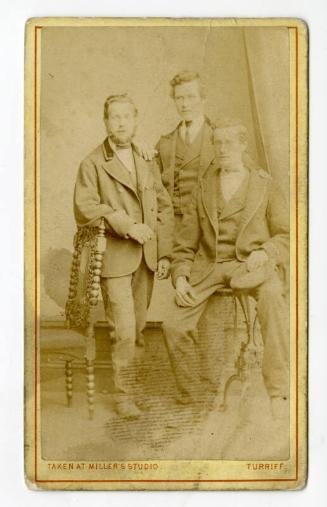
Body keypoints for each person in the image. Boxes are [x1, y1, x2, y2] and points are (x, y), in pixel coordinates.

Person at [162, 118, 289, 417]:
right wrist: (180, 278)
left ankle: (278, 391)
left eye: (229, 143)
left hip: (252, 266)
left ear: (243, 145)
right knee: (173, 324)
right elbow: (184, 243)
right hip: (210, 266)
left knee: (273, 299)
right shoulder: (203, 188)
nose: (222, 149)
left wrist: (264, 250)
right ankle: (195, 396)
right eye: (217, 143)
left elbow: (286, 235)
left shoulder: (266, 185)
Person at [74, 94, 174, 419]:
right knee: (125, 330)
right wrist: (128, 226)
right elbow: (86, 208)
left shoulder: (146, 158)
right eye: (114, 117)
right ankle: (124, 396)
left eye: (126, 117)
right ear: (105, 122)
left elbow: (163, 205)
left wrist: (164, 252)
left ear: (135, 120)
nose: (120, 123)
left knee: (140, 328)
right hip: (115, 259)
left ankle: (134, 388)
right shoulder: (92, 163)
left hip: (145, 258)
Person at [156, 70, 215, 234]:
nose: (184, 104)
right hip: (174, 228)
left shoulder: (218, 137)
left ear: (203, 99)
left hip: (208, 225)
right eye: (179, 98)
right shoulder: (164, 143)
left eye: (190, 97)